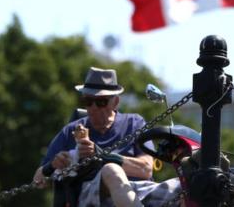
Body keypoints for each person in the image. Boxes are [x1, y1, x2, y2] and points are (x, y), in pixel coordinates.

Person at [32, 67, 154, 207]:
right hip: (93, 198)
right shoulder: (70, 131)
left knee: (181, 181)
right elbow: (38, 180)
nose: (93, 108)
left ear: (115, 102)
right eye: (88, 101)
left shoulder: (134, 123)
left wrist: (100, 154)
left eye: (101, 102)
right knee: (111, 170)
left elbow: (146, 170)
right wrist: (53, 165)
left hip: (140, 193)